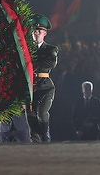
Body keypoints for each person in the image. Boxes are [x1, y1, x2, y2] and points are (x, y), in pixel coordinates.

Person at [26, 14, 58, 142]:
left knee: (42, 113)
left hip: (45, 86)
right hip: (30, 86)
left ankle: (45, 134)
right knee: (31, 115)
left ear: (45, 34)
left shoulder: (51, 49)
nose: (37, 33)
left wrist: (30, 62)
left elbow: (50, 63)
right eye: (34, 30)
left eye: (40, 31)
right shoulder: (26, 49)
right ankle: (36, 140)